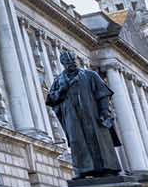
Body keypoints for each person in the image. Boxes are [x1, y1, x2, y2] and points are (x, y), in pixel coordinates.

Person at [46, 50, 124, 178]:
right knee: (77, 141)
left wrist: (104, 111)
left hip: (92, 113)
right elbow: (50, 99)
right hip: (72, 116)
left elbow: (103, 93)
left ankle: (108, 169)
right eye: (68, 62)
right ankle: (83, 170)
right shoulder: (59, 80)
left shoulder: (90, 75)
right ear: (63, 63)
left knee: (100, 140)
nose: (72, 63)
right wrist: (61, 90)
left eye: (73, 60)